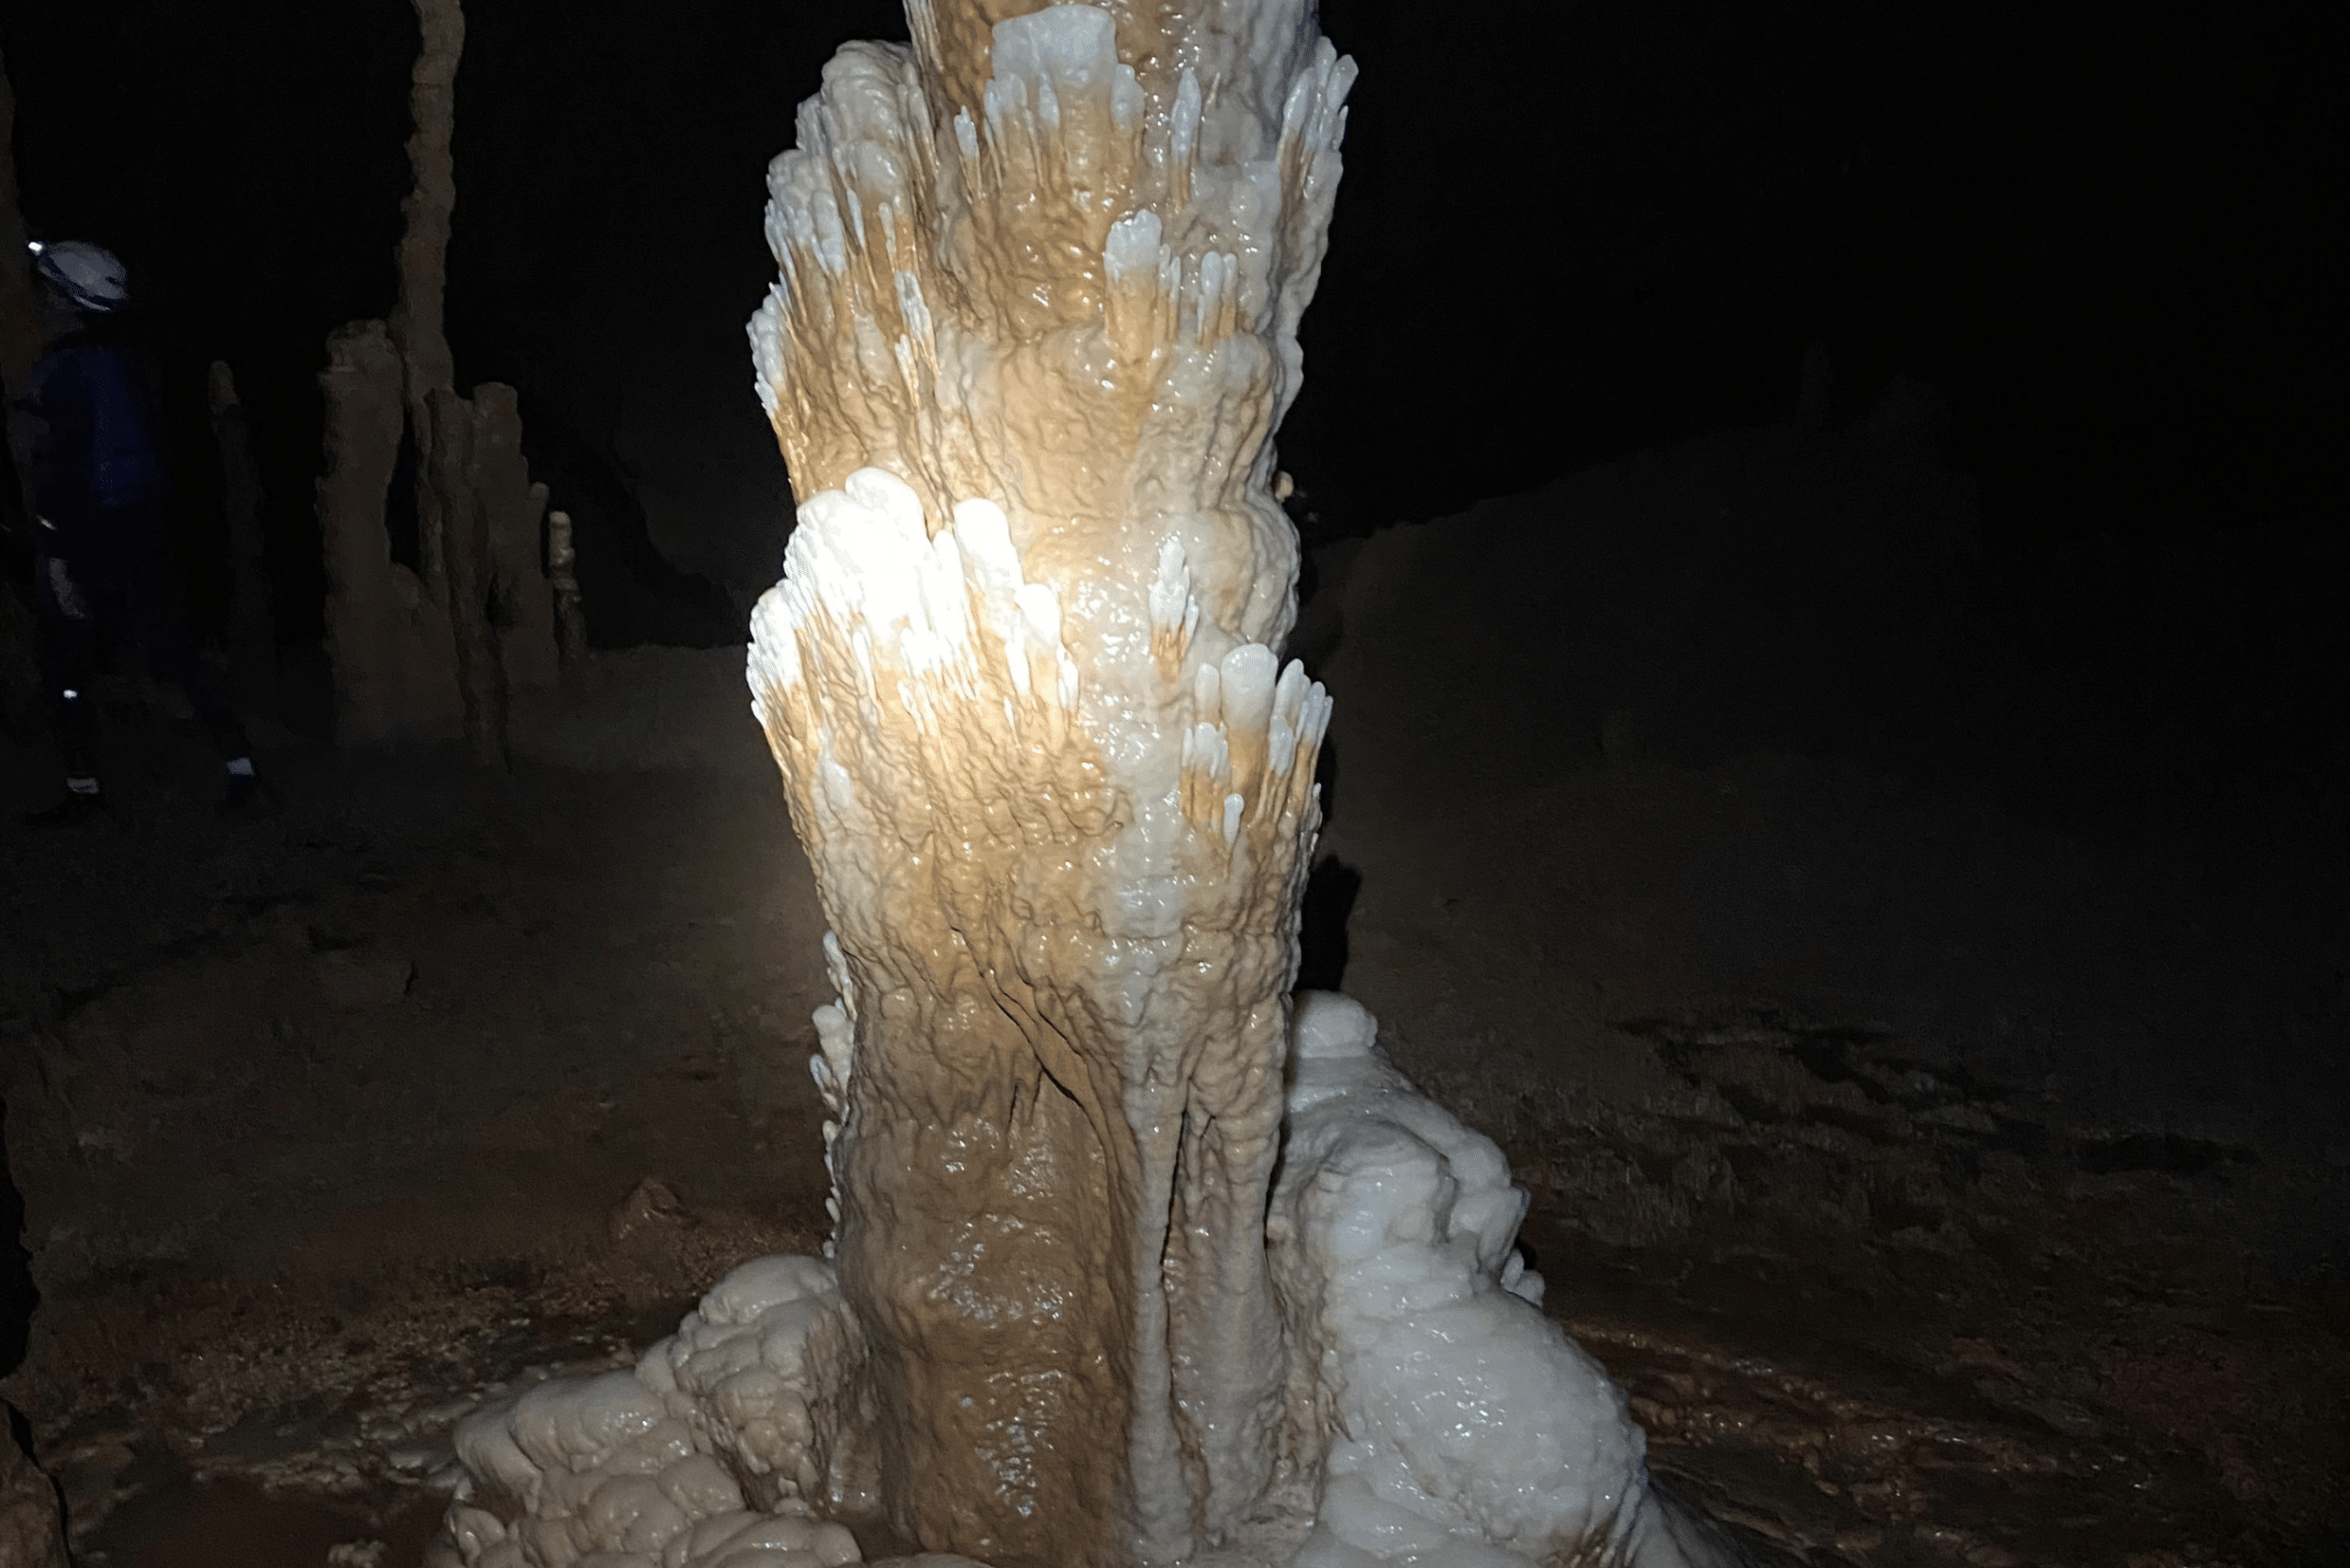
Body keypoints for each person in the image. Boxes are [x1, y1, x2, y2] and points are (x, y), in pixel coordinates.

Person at [15, 239, 258, 825]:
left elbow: (64, 465)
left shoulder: (66, 368)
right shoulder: (134, 359)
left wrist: (56, 544)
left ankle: (84, 790)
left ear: (64, 298)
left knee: (65, 660)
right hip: (147, 519)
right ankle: (241, 770)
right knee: (174, 647)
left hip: (93, 526)